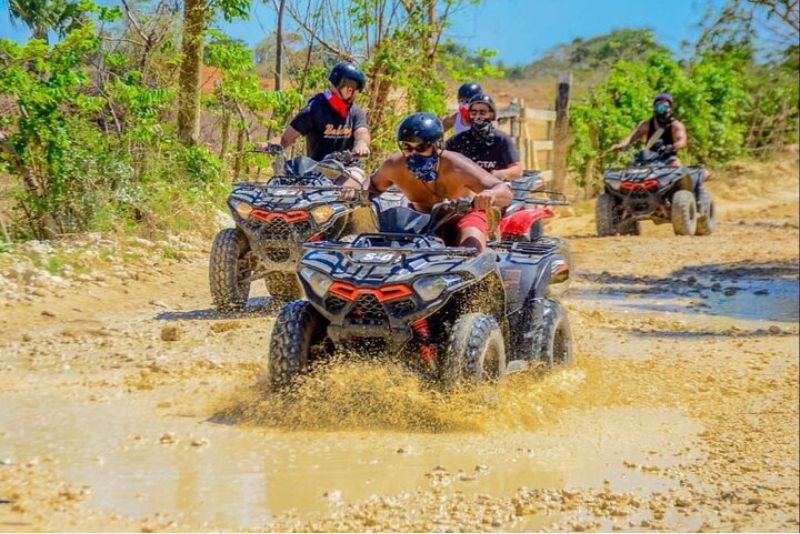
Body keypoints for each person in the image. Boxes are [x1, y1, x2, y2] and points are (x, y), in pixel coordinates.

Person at [369, 112, 512, 252]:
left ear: (437, 146)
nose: (413, 153)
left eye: (421, 147)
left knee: (470, 251)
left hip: (464, 217)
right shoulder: (393, 166)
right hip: (420, 222)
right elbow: (370, 187)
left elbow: (504, 191)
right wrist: (353, 193)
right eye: (407, 147)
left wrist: (490, 195)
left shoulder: (457, 166)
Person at [265, 61, 370, 188]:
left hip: (349, 169)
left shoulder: (356, 112)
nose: (357, 95)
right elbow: (285, 139)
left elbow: (362, 132)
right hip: (315, 172)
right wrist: (268, 145)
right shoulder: (314, 109)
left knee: (348, 190)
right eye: (357, 91)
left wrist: (361, 144)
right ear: (348, 89)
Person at [444, 94, 523, 180]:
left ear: (491, 115)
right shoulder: (458, 140)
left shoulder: (502, 139)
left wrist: (499, 174)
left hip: (496, 187)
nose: (478, 116)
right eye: (473, 113)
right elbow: (438, 158)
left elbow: (517, 171)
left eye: (482, 113)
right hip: (467, 188)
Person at [610, 93, 687, 166]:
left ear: (670, 108)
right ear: (655, 107)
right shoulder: (646, 124)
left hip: (668, 158)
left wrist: (672, 147)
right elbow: (632, 136)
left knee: (676, 164)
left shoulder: (676, 125)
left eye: (665, 105)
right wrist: (621, 145)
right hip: (648, 158)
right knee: (632, 167)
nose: (662, 108)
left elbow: (682, 141)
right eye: (659, 105)